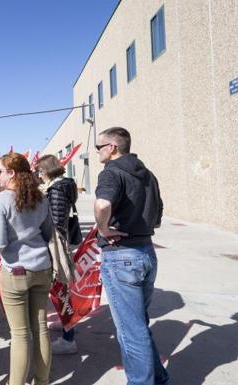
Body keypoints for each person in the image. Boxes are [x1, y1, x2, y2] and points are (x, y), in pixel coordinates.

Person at [94, 127, 167, 385]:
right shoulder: (148, 175)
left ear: (112, 147)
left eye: (99, 147)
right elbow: (158, 214)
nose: (97, 152)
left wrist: (103, 228)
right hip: (146, 252)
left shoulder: (111, 173)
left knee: (131, 332)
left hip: (122, 256)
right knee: (138, 326)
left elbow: (102, 204)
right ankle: (158, 379)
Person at [0, 152, 53, 385]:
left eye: (0, 171)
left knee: (20, 333)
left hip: (16, 270)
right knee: (41, 328)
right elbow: (47, 234)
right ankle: (42, 381)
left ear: (12, 173)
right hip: (42, 267)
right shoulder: (41, 198)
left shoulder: (0, 200)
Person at [36, 154, 80, 355]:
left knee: (61, 289)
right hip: (58, 243)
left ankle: (69, 338)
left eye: (39, 171)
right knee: (59, 289)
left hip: (55, 245)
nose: (38, 175)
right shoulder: (62, 186)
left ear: (46, 171)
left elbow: (56, 221)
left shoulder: (57, 189)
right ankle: (65, 325)